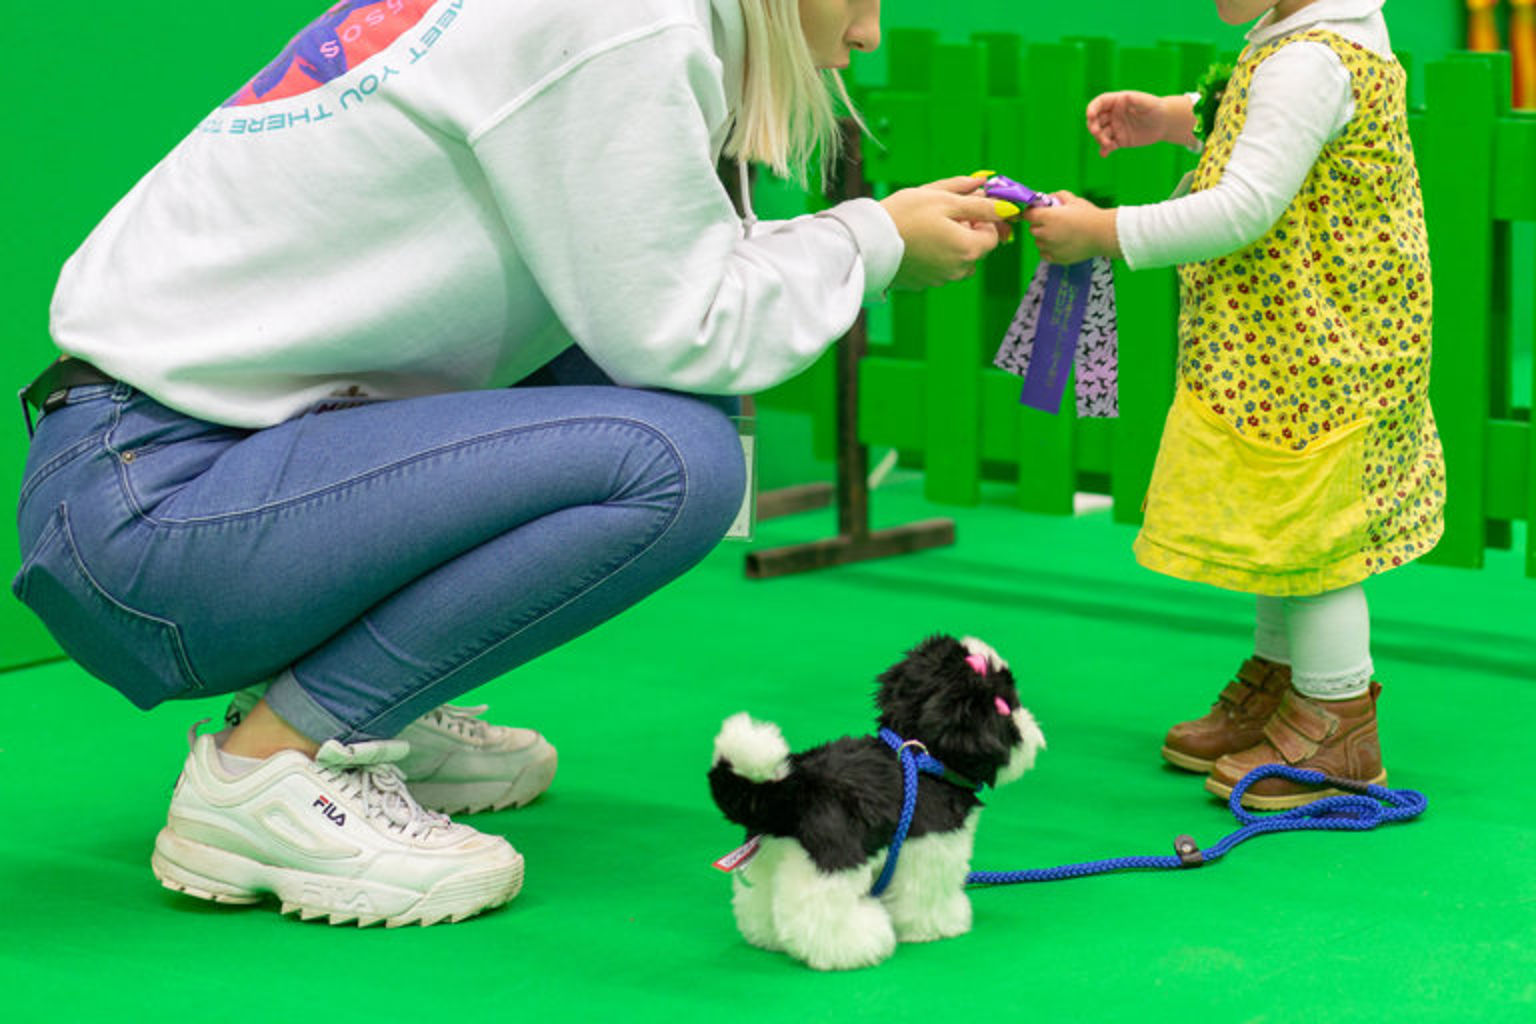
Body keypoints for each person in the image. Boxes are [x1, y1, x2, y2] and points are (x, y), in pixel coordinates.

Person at [14, 0, 1011, 927]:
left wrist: (870, 236)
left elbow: (668, 278)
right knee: (680, 458)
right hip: (153, 517)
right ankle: (268, 770)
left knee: (642, 387)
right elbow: (688, 329)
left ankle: (369, 700)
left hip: (171, 475)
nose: (870, 33)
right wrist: (870, 242)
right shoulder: (626, 22)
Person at [1019, 0, 1442, 808]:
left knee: (1316, 540)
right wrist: (1173, 117)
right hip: (1289, 345)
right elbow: (1260, 119)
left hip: (1321, 347)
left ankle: (1338, 716)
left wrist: (1105, 231)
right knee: (1277, 516)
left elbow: (1244, 205)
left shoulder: (1311, 60)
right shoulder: (1304, 41)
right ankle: (1287, 685)